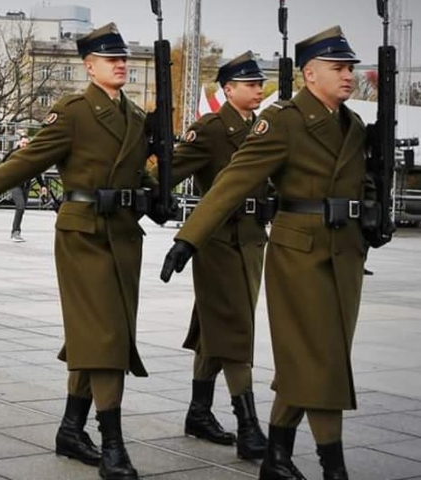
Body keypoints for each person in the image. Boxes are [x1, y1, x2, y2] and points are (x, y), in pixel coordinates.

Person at [0, 22, 168, 480]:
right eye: (110, 59)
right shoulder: (74, 112)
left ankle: (70, 429)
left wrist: (157, 195)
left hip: (124, 236)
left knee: (100, 333)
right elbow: (27, 161)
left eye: (124, 59)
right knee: (106, 338)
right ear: (90, 66)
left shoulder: (137, 118)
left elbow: (138, 173)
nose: (121, 65)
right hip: (83, 237)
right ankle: (114, 446)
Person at [160, 26, 391, 480]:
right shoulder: (284, 120)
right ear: (309, 74)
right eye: (338, 68)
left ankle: (276, 456)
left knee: (316, 358)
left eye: (350, 67)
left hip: (345, 254)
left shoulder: (354, 124)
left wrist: (371, 213)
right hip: (300, 253)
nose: (349, 76)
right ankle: (333, 466)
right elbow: (234, 179)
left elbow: (362, 180)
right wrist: (189, 238)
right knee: (322, 358)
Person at [159, 51, 270, 460]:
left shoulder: (261, 127)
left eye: (260, 84)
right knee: (235, 328)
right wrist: (152, 196)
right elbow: (169, 170)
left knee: (214, 326)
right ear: (228, 89)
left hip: (254, 240)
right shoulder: (210, 129)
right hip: (219, 242)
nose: (259, 89)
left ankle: (199, 411)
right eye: (251, 84)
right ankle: (249, 425)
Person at [5, 132, 48, 242]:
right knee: (20, 206)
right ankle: (15, 232)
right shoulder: (13, 154)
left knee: (22, 209)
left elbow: (36, 171)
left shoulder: (31, 155)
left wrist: (42, 185)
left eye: (27, 143)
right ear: (19, 143)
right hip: (15, 184)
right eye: (23, 143)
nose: (25, 145)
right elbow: (3, 165)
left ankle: (16, 231)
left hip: (26, 185)